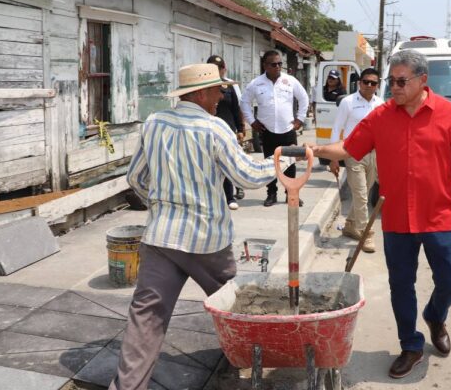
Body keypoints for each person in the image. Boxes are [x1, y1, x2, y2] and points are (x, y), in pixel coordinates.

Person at [109, 63, 295, 390]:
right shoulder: (215, 128)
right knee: (235, 307)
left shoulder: (154, 123)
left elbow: (135, 178)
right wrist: (284, 159)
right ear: (200, 93)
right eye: (217, 90)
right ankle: (247, 359)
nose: (221, 96)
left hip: (161, 237)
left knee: (146, 319)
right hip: (206, 240)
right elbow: (247, 176)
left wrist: (161, 204)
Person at [311, 49, 451, 379]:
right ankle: (411, 345)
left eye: (402, 82)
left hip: (438, 216)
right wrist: (315, 149)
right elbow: (348, 148)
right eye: (392, 81)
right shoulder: (381, 117)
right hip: (397, 218)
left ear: (422, 80)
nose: (394, 88)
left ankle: (435, 316)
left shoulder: (449, 114)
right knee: (401, 285)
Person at [240, 50, 309, 207]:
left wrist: (300, 119)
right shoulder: (256, 83)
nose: (277, 67)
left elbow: (304, 98)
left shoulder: (290, 81)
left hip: (288, 130)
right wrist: (252, 121)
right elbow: (244, 102)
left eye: (279, 64)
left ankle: (291, 193)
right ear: (265, 65)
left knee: (290, 164)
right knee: (270, 165)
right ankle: (271, 194)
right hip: (267, 131)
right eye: (273, 64)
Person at [329, 68, 385, 253]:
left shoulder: (381, 104)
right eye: (365, 81)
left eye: (373, 83)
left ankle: (350, 225)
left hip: (374, 154)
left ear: (377, 85)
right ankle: (367, 233)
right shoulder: (348, 102)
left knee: (365, 192)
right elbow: (337, 129)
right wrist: (333, 158)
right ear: (359, 83)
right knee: (360, 194)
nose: (369, 85)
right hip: (353, 154)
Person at [207, 55, 245, 210]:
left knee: (229, 162)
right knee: (213, 164)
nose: (217, 71)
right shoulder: (204, 87)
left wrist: (241, 129)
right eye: (212, 68)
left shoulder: (229, 86)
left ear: (224, 69)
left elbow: (236, 108)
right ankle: (218, 197)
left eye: (219, 68)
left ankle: (231, 195)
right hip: (208, 130)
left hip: (228, 130)